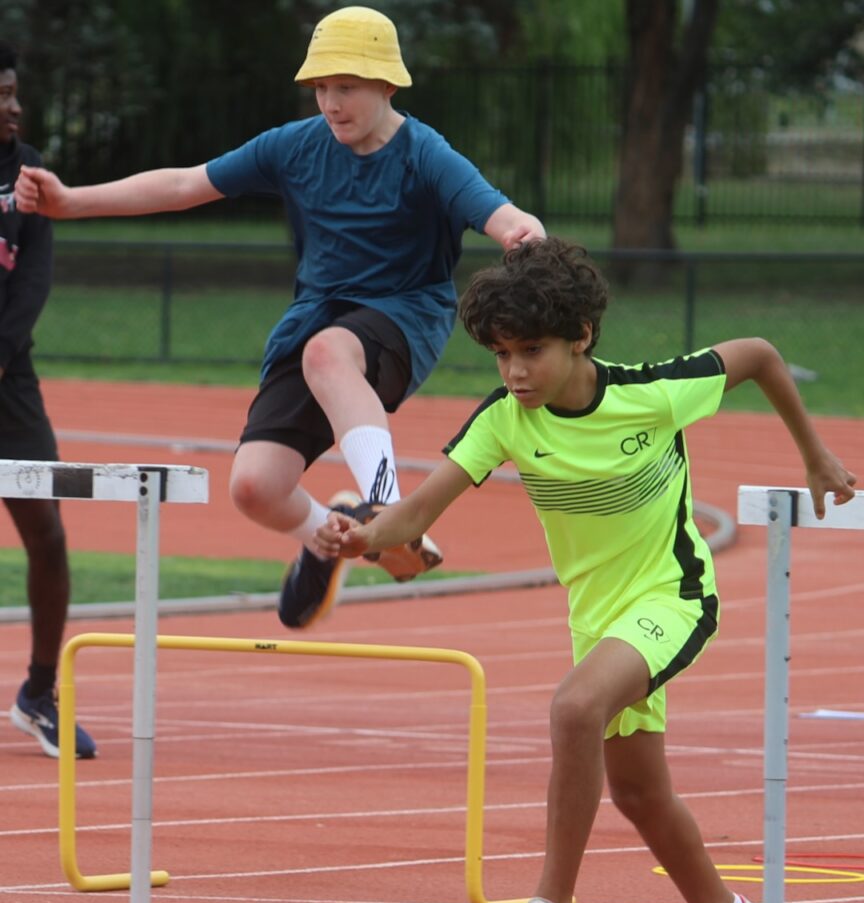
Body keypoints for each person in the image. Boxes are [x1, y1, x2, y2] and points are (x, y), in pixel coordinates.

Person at [315, 237, 857, 903]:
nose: (515, 372)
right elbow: (418, 511)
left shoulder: (656, 394)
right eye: (501, 355)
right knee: (639, 795)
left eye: (531, 351)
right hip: (598, 621)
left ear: (581, 338)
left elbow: (761, 354)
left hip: (674, 596)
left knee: (571, 707)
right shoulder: (503, 422)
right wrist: (360, 536)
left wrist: (813, 454)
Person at [13, 6, 546, 630]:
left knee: (329, 352)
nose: (330, 102)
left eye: (345, 86)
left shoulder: (425, 155)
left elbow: (502, 216)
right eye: (321, 87)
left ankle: (387, 510)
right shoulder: (294, 147)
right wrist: (70, 203)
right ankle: (330, 539)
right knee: (255, 487)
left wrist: (522, 235)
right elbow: (187, 184)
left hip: (404, 315)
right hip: (317, 316)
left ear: (386, 85)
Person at [0, 42, 96, 759]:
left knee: (48, 532)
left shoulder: (26, 172)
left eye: (14, 93)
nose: (14, 106)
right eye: (1, 96)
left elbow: (33, 277)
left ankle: (39, 693)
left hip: (10, 380)